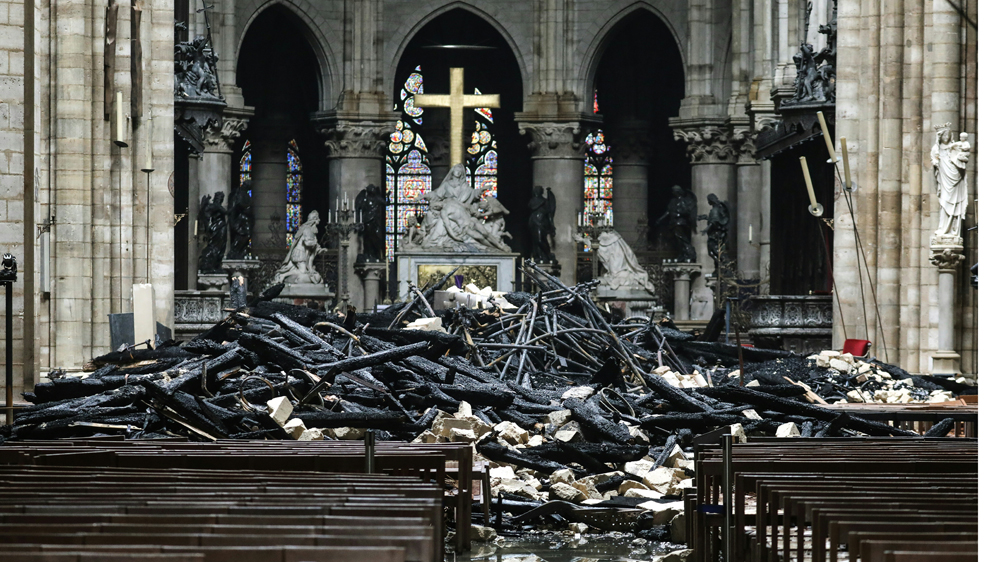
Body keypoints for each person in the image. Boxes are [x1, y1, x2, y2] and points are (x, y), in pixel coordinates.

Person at [930, 127, 970, 239]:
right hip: (944, 176)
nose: (946, 138)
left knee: (955, 201)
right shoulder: (936, 148)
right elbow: (934, 158)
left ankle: (953, 230)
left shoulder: (955, 147)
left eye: (948, 135)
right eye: (944, 135)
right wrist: (936, 162)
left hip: (955, 174)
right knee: (944, 201)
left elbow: (963, 158)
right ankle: (943, 228)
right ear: (940, 136)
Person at [273, 210, 322, 284]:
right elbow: (307, 242)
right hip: (299, 253)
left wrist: (319, 248)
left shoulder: (311, 229)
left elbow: (312, 242)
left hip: (303, 253)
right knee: (302, 271)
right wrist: (314, 244)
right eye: (317, 218)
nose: (319, 220)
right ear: (314, 219)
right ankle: (283, 275)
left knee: (303, 271)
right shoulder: (307, 229)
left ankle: (284, 276)